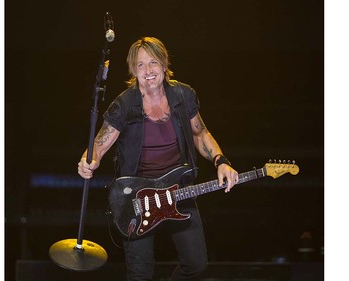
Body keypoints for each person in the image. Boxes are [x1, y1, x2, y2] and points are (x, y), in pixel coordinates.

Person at [78, 37, 239, 281]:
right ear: (133, 70)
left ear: (164, 65)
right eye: (140, 65)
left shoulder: (183, 96)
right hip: (137, 200)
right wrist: (88, 160)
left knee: (196, 264)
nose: (148, 71)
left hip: (178, 190)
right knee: (140, 274)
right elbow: (99, 145)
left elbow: (200, 132)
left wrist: (221, 161)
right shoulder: (124, 105)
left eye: (153, 63)